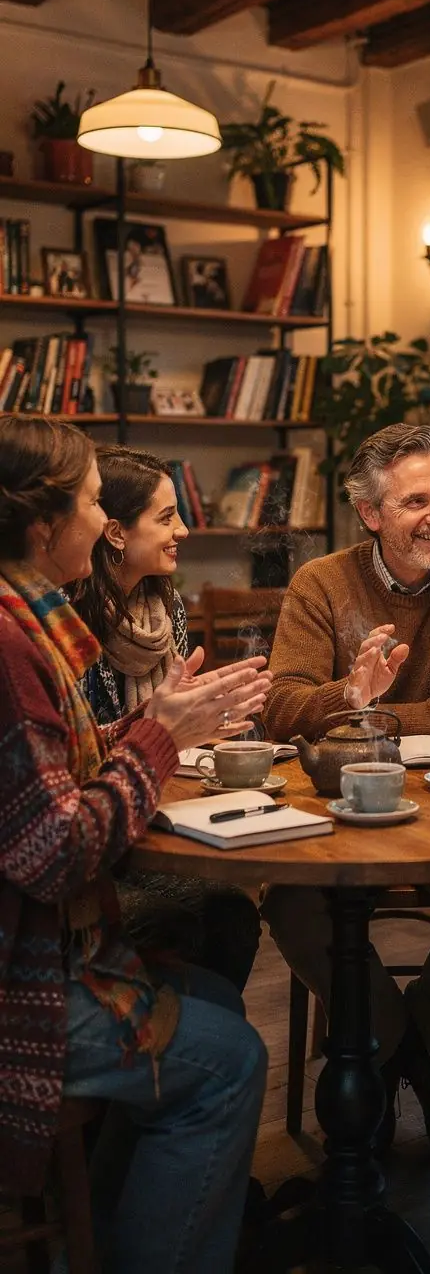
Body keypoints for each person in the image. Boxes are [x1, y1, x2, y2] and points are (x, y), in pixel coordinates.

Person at [0, 414, 273, 1273]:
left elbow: (53, 770)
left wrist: (161, 724)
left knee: (219, 1004)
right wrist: (160, 739)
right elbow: (54, 852)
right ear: (46, 527)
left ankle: (123, 1230)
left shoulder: (26, 626)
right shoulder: (10, 647)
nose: (98, 518)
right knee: (231, 1063)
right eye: (88, 502)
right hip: (22, 985)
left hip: (42, 951)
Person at [263, 422, 430, 1164]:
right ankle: (411, 1062)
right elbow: (280, 707)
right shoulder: (321, 583)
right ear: (371, 513)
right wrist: (346, 690)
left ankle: (397, 1065)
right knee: (292, 899)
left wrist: (365, 718)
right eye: (417, 499)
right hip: (341, 811)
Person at [67, 446, 261, 993]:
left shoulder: (167, 605)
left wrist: (204, 716)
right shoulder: (69, 613)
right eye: (166, 517)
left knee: (231, 914)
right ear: (116, 533)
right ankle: (159, 1048)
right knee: (184, 920)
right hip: (94, 830)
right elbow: (79, 749)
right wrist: (162, 726)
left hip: (148, 810)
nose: (183, 530)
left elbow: (170, 720)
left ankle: (190, 1048)